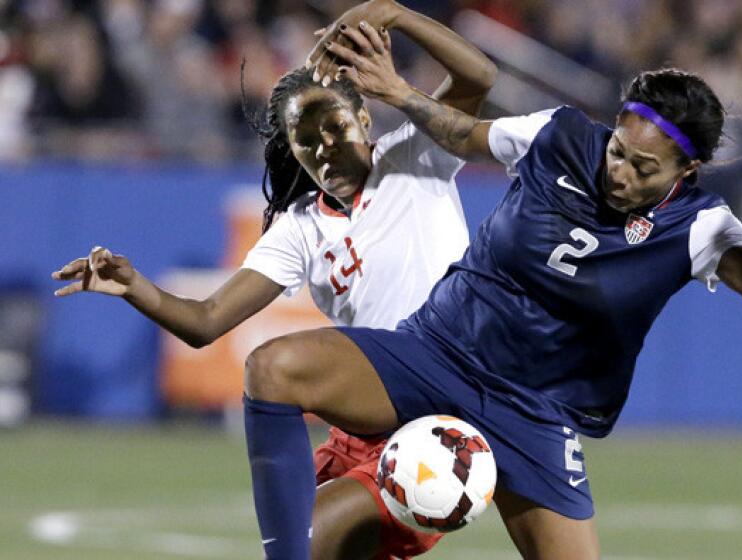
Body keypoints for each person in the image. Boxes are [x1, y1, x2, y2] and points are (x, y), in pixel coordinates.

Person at [222, 21, 742, 560]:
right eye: (619, 150)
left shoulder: (698, 224)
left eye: (643, 168)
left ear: (686, 170)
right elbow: (465, 133)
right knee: (273, 368)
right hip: (439, 353)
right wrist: (399, 92)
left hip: (535, 410)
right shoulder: (562, 135)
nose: (619, 170)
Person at [50, 2, 497, 559]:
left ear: (363, 117)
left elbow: (480, 76)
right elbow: (205, 322)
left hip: (430, 424)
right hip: (358, 431)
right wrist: (133, 286)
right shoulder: (301, 226)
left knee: (300, 539)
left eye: (334, 126)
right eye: (305, 142)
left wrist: (395, 15)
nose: (324, 149)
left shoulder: (414, 155)